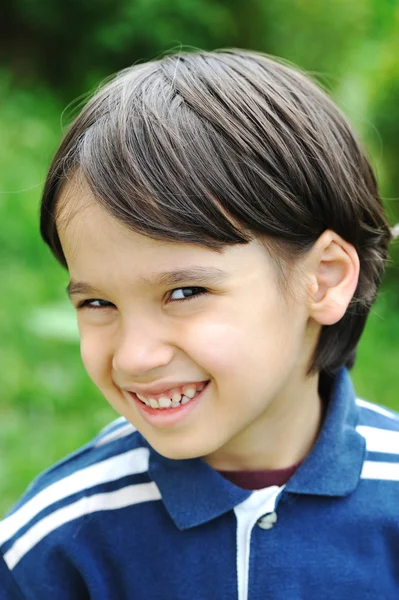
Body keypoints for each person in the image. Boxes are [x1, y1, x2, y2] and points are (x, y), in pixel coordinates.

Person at [1, 49, 398, 600]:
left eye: (185, 292)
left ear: (324, 280)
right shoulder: (51, 547)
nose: (135, 357)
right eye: (97, 304)